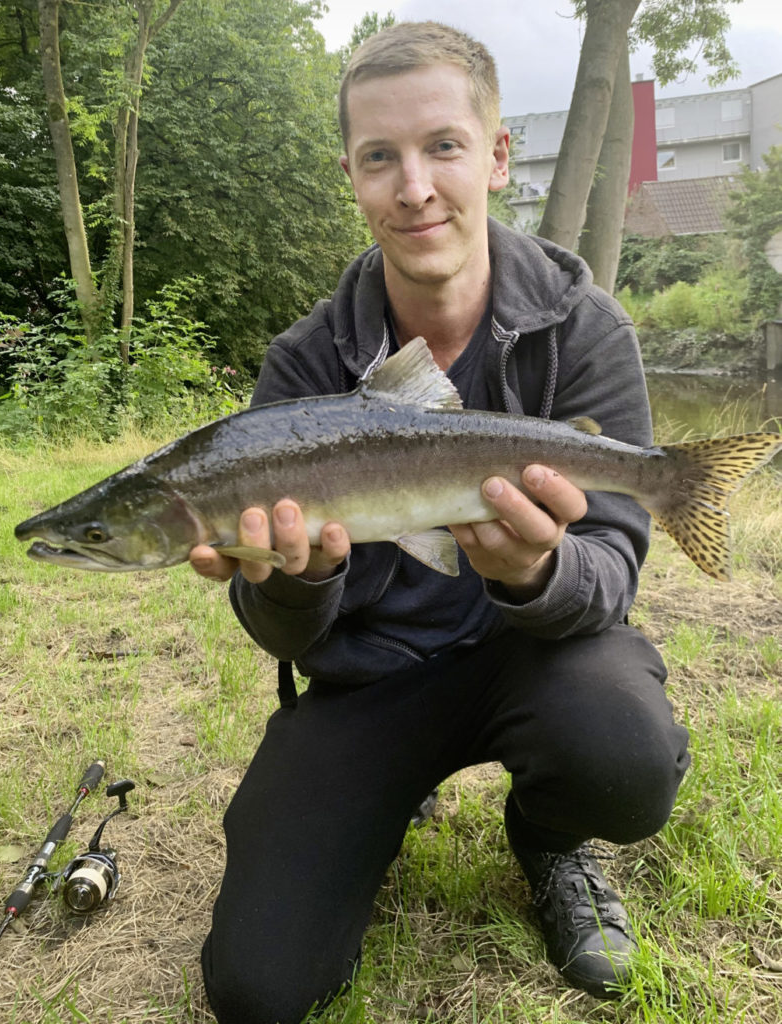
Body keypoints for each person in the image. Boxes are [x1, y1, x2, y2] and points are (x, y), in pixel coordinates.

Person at [190, 21, 690, 1024]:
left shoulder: (582, 326)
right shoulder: (303, 364)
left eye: (441, 147)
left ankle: (548, 836)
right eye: (380, 157)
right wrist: (290, 580)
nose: (412, 185)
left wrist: (535, 574)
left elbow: (612, 573)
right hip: (368, 681)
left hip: (537, 660)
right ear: (351, 176)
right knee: (256, 987)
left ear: (496, 157)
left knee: (625, 757)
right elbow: (280, 631)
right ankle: (376, 805)